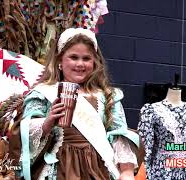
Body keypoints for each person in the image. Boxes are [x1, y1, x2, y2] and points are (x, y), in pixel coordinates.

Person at [17, 28, 140, 180]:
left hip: (98, 168)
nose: (80, 64)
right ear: (60, 61)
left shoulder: (107, 95)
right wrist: (47, 122)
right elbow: (24, 132)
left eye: (86, 58)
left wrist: (126, 171)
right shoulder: (43, 93)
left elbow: (118, 134)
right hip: (59, 167)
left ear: (95, 63)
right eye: (73, 57)